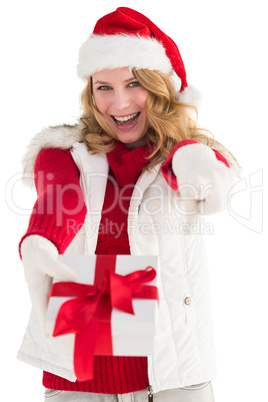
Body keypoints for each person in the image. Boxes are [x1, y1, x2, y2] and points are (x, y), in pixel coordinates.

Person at [18, 7, 239, 402]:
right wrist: (41, 239)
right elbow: (62, 200)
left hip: (174, 379)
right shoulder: (65, 154)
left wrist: (195, 158)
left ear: (160, 86)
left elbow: (199, 174)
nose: (119, 103)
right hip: (80, 381)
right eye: (104, 87)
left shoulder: (179, 157)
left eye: (133, 83)